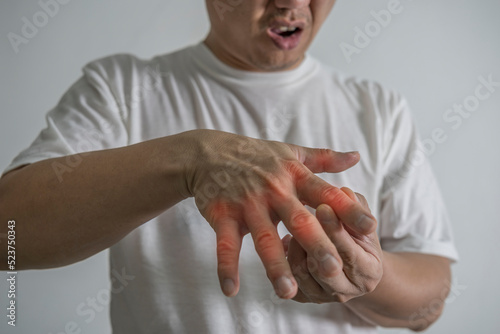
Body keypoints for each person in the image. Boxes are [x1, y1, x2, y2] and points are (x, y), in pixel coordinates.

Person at [0, 0, 459, 333]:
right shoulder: (121, 88)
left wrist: (366, 277)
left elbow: (431, 301)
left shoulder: (377, 108)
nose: (292, 3)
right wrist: (192, 160)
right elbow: (9, 234)